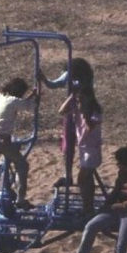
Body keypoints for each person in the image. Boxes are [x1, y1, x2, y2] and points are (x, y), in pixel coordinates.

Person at [0, 77, 39, 211]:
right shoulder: (13, 101)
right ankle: (21, 199)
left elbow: (22, 103)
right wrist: (36, 97)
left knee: (8, 156)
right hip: (0, 138)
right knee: (22, 165)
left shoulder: (0, 96)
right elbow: (30, 107)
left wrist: (30, 96)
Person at [39, 58, 95, 188]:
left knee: (85, 144)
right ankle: (67, 175)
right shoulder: (69, 74)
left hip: (83, 111)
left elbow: (87, 92)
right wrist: (43, 79)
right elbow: (54, 84)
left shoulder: (87, 78)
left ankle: (86, 172)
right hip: (71, 113)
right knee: (68, 146)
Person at [58, 85, 103, 217]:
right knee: (87, 181)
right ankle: (87, 207)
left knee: (82, 179)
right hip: (83, 150)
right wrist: (72, 97)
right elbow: (61, 111)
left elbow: (90, 127)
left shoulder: (95, 111)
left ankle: (88, 207)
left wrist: (84, 112)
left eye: (81, 99)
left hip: (92, 150)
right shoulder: (78, 110)